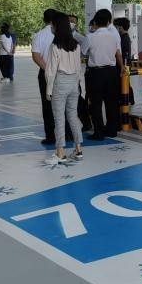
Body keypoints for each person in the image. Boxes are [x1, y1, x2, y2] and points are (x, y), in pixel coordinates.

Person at [44, 13, 85, 166]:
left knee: (59, 119)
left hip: (60, 83)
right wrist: (79, 86)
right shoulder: (76, 46)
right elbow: (79, 68)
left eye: (53, 25)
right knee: (73, 116)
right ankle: (78, 150)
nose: (51, 27)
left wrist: (49, 90)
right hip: (74, 83)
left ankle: (60, 153)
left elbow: (50, 71)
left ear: (57, 27)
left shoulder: (55, 47)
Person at [86, 9, 124, 139]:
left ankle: (99, 132)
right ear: (109, 22)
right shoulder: (114, 36)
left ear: (95, 21)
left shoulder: (90, 37)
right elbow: (118, 53)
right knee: (111, 103)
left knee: (96, 103)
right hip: (112, 72)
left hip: (96, 73)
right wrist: (122, 67)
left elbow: (83, 52)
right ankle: (112, 130)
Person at [32, 9, 61, 146]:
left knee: (47, 105)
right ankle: (67, 134)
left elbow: (36, 56)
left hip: (45, 73)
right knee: (63, 104)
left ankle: (50, 136)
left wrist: (48, 69)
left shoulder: (39, 35)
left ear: (44, 19)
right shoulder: (62, 33)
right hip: (62, 73)